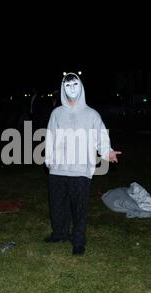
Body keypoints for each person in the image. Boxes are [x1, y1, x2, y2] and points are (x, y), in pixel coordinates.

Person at [45, 73, 122, 255]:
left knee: (79, 207)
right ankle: (60, 233)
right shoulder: (56, 113)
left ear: (80, 87)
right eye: (67, 86)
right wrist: (49, 159)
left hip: (80, 170)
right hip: (58, 168)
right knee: (57, 204)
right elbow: (50, 137)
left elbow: (100, 137)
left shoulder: (91, 114)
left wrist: (107, 151)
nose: (71, 89)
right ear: (63, 89)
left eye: (74, 85)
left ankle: (78, 241)